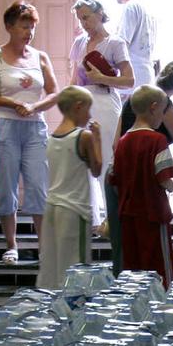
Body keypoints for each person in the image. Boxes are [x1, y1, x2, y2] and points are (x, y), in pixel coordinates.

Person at [0, 1, 58, 266]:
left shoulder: (40, 57)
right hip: (6, 127)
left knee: (38, 185)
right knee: (6, 185)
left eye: (32, 27)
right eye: (24, 26)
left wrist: (34, 106)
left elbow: (56, 93)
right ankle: (12, 245)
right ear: (9, 26)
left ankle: (44, 246)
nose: (29, 32)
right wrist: (13, 103)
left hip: (35, 127)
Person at [107, 60, 173, 272]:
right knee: (156, 256)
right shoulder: (161, 106)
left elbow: (115, 145)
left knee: (125, 249)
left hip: (125, 187)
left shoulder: (135, 98)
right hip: (150, 198)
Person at [69, 0, 134, 226]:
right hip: (82, 103)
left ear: (99, 14)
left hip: (105, 101)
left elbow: (129, 80)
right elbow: (73, 79)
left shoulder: (115, 42)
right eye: (80, 19)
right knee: (82, 157)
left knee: (107, 156)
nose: (83, 23)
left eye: (86, 17)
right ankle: (90, 216)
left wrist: (102, 78)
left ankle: (111, 215)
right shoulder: (78, 43)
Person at [109, 85, 173, 288]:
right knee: (159, 267)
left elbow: (114, 178)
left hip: (128, 215)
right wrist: (171, 186)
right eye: (163, 112)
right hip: (154, 214)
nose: (162, 118)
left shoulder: (122, 142)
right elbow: (163, 177)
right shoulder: (158, 140)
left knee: (133, 265)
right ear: (154, 108)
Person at [39, 86, 102, 289]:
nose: (89, 115)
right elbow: (96, 169)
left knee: (52, 264)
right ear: (78, 107)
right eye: (88, 109)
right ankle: (74, 315)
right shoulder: (83, 136)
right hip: (75, 209)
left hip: (52, 206)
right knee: (77, 267)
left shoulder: (51, 137)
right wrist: (98, 138)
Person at [116, 0, 156, 91]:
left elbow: (121, 45)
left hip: (131, 78)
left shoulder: (131, 6)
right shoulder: (148, 9)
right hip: (146, 76)